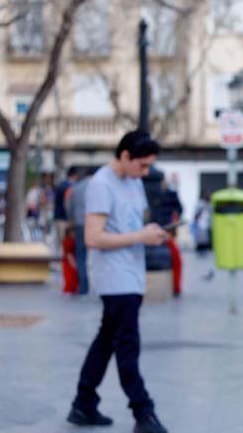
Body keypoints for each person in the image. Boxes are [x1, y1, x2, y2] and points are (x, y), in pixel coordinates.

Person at [67, 130, 169, 433]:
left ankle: (83, 404)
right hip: (114, 278)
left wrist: (150, 231)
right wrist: (140, 236)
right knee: (127, 345)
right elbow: (92, 237)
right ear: (125, 156)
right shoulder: (100, 185)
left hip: (131, 273)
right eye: (143, 165)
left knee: (105, 342)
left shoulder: (134, 180)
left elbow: (132, 223)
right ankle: (143, 413)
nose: (146, 171)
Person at [67, 167, 96, 295]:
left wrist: (73, 222)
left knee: (80, 257)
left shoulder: (76, 188)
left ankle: (83, 288)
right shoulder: (99, 187)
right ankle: (97, 288)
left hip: (79, 224)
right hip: (96, 225)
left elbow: (69, 208)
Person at [61, 225, 78, 295]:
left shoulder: (71, 240)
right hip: (68, 262)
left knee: (72, 277)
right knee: (70, 277)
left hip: (69, 261)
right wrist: (73, 263)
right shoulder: (68, 240)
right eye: (72, 232)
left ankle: (72, 291)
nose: (73, 233)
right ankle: (69, 291)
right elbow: (68, 253)